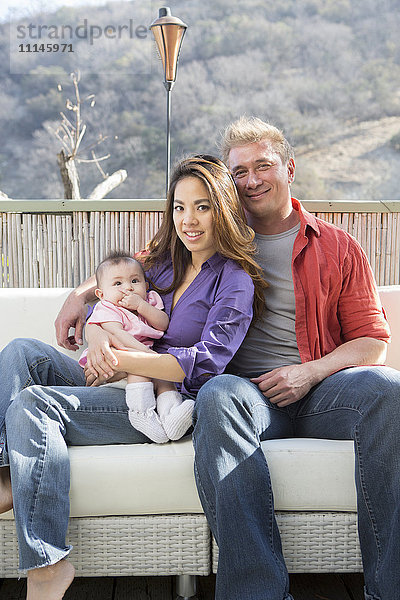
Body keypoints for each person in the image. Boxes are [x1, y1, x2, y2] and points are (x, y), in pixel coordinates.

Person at [0, 154, 267, 600]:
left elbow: (203, 366)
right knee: (20, 352)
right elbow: (109, 293)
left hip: (164, 401)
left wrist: (123, 359)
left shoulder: (235, 281)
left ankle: (47, 566)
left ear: (222, 208)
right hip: (117, 375)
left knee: (33, 404)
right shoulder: (164, 264)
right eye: (179, 207)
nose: (189, 220)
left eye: (202, 206)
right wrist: (97, 333)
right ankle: (3, 471)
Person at [191, 117, 400, 600]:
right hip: (251, 397)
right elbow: (136, 268)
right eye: (238, 172)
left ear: (289, 168)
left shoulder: (337, 246)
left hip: (324, 391)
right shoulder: (214, 241)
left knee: (390, 391)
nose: (251, 180)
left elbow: (371, 341)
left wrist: (310, 372)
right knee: (218, 395)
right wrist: (85, 293)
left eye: (262, 166)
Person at [78, 251, 195, 444]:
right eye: (118, 284)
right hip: (115, 359)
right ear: (101, 294)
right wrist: (147, 355)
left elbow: (162, 323)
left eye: (134, 281)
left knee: (164, 379)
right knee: (140, 370)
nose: (128, 289)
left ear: (145, 285)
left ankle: (170, 416)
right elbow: (120, 337)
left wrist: (142, 306)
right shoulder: (106, 308)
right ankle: (142, 413)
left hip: (142, 359)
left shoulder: (149, 300)